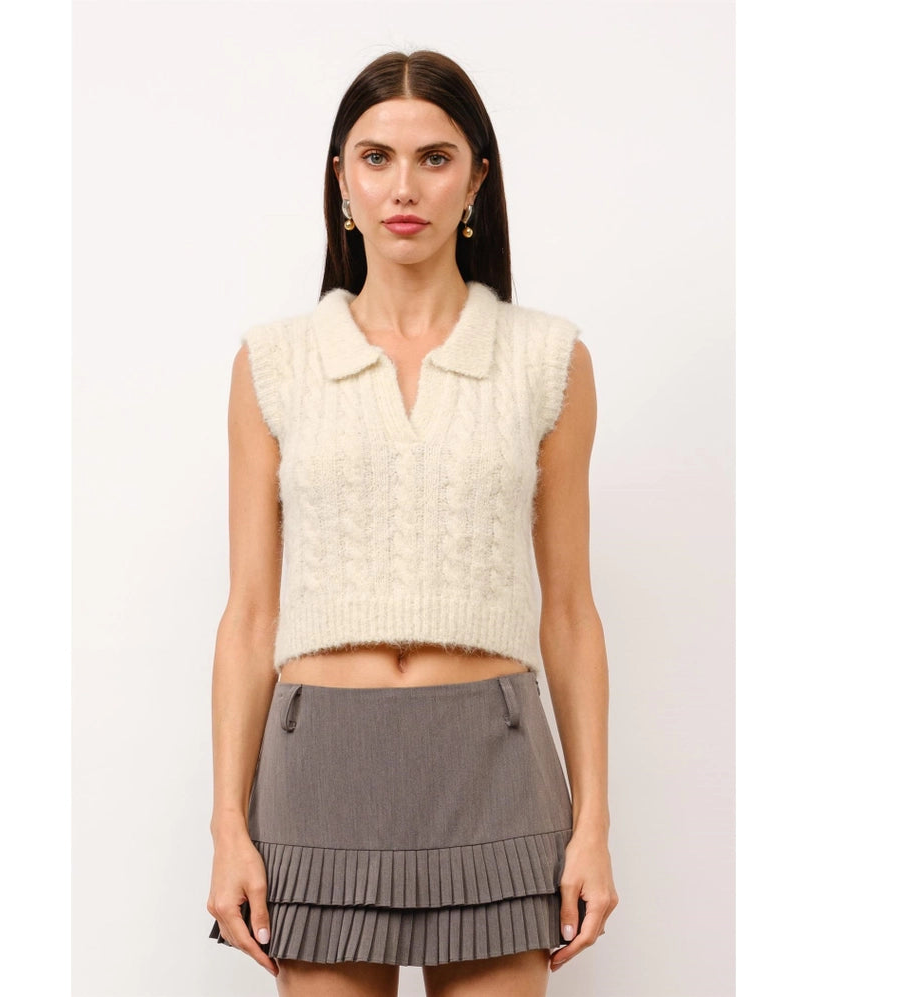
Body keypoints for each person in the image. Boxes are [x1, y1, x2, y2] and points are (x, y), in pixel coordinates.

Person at [206, 49, 618, 996]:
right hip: (319, 769)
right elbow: (250, 616)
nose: (404, 187)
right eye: (376, 157)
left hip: (494, 764)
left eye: (435, 158)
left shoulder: (546, 359)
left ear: (475, 181)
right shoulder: (273, 363)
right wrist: (227, 823)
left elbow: (569, 612)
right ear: (340, 179)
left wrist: (593, 823)